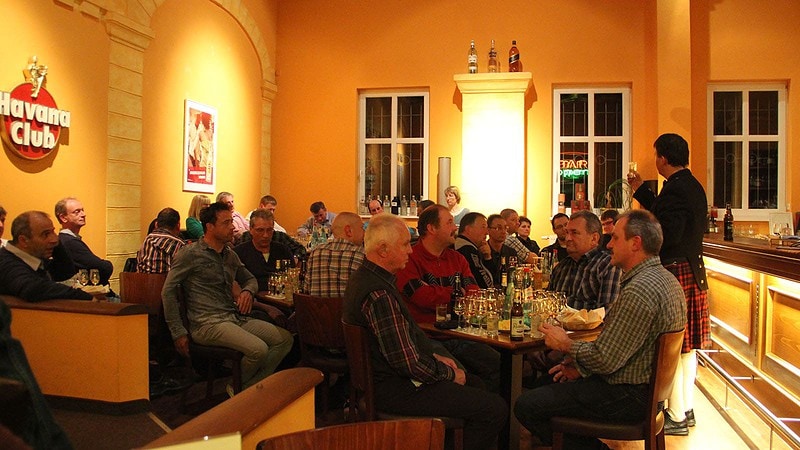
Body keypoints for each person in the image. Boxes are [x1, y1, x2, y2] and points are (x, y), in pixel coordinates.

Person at [514, 209, 687, 450]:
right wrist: (581, 369)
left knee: (527, 405)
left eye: (615, 238)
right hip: (648, 393)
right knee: (546, 384)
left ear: (635, 243)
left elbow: (605, 359)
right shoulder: (666, 280)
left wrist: (566, 345)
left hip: (630, 396)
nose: (608, 245)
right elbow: (622, 351)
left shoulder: (639, 290)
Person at [342, 213, 507, 450]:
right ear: (383, 250)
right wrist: (447, 373)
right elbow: (406, 363)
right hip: (395, 388)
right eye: (405, 244)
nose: (410, 251)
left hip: (381, 381)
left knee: (476, 383)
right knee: (494, 408)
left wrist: (436, 359)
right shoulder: (379, 294)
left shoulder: (365, 278)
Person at [162, 202, 293, 390]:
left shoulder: (229, 254)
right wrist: (178, 332)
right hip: (207, 323)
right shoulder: (190, 254)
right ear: (210, 227)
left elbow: (250, 280)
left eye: (232, 221)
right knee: (259, 349)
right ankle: (240, 389)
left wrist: (247, 291)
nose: (233, 226)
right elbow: (168, 291)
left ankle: (245, 388)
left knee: (285, 340)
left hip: (233, 318)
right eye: (226, 223)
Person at [629, 132, 710, 434]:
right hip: (689, 270)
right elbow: (667, 216)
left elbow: (670, 233)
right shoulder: (689, 185)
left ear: (662, 157)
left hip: (677, 271)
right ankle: (684, 409)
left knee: (674, 345)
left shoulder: (676, 189)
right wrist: (642, 192)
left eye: (656, 156)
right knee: (686, 346)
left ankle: (676, 413)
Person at [396, 205, 500, 391]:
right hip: (425, 338)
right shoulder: (409, 258)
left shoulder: (457, 258)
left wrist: (437, 292)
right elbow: (420, 296)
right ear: (432, 228)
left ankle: (495, 413)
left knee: (498, 365)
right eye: (450, 222)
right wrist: (456, 293)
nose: (455, 227)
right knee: (461, 377)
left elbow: (473, 294)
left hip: (460, 333)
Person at [0, 211, 93, 301]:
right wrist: (88, 298)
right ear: (23, 241)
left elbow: (65, 273)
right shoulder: (6, 263)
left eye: (53, 232)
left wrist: (55, 242)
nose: (55, 239)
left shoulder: (33, 258)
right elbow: (32, 289)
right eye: (45, 234)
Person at [547, 210, 621, 311]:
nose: (568, 238)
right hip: (555, 325)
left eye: (574, 233)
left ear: (594, 238)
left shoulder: (607, 266)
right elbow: (547, 307)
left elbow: (607, 316)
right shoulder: (561, 268)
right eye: (567, 232)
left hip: (591, 327)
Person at [303, 212, 365, 297]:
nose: (364, 232)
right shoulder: (361, 255)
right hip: (346, 309)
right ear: (349, 231)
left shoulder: (315, 253)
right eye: (362, 228)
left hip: (317, 309)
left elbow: (306, 289)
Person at [55, 197, 114, 286]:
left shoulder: (67, 240)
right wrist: (108, 264)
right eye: (77, 212)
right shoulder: (69, 242)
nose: (83, 214)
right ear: (63, 218)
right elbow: (103, 268)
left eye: (82, 210)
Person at [234, 209, 295, 292]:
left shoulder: (283, 250)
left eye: (269, 230)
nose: (265, 235)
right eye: (260, 230)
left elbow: (292, 279)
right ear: (251, 230)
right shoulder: (239, 253)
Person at [136, 208, 186, 273]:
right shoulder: (179, 244)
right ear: (178, 226)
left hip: (142, 282)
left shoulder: (146, 240)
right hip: (166, 282)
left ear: (156, 224)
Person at [454, 212, 495, 289]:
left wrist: (488, 257)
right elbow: (482, 282)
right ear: (468, 229)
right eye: (483, 227)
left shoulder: (472, 247)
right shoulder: (466, 249)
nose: (486, 233)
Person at [485, 214, 517, 285]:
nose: (503, 231)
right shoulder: (483, 251)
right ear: (488, 230)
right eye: (498, 228)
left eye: (505, 228)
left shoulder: (511, 252)